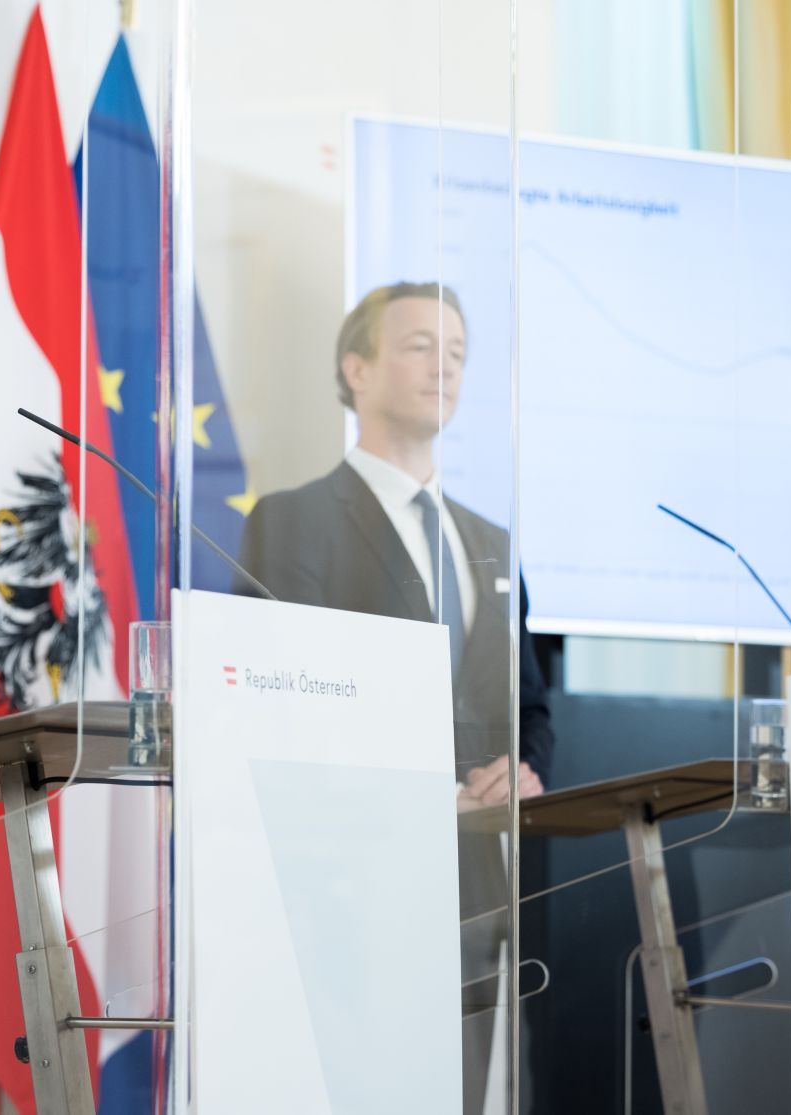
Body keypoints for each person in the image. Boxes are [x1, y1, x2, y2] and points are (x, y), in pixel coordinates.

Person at [235, 280, 555, 1113]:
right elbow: (282, 705)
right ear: (357, 368)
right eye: (419, 346)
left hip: (479, 887)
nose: (443, 367)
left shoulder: (491, 541)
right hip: (349, 889)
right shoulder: (294, 521)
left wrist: (519, 770)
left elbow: (532, 705)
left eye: (457, 354)